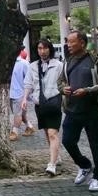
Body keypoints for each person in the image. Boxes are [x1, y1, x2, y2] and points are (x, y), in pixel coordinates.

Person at [58, 31, 98, 193]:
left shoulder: (96, 61)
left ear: (82, 43)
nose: (68, 45)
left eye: (71, 42)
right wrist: (63, 89)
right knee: (67, 141)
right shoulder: (67, 62)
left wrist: (87, 91)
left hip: (93, 111)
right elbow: (60, 81)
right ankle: (84, 165)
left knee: (96, 145)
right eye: (67, 42)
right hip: (72, 109)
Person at [21, 39, 64, 176]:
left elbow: (64, 82)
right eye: (40, 48)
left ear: (50, 49)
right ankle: (56, 155)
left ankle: (52, 164)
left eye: (45, 48)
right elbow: (28, 83)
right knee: (47, 131)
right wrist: (24, 98)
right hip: (39, 103)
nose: (42, 51)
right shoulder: (33, 66)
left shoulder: (58, 65)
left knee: (53, 133)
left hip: (54, 101)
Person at [9, 53, 35, 141]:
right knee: (20, 113)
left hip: (19, 92)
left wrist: (27, 93)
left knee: (18, 114)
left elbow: (30, 78)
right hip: (10, 92)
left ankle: (14, 132)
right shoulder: (8, 62)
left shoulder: (23, 63)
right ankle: (29, 126)